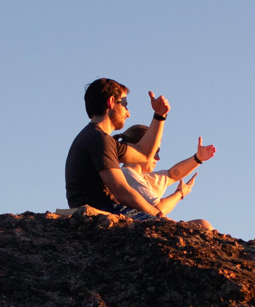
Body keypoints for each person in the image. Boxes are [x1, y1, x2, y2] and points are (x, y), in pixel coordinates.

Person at [64, 78, 215, 218]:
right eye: (124, 105)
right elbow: (122, 191)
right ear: (111, 102)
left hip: (102, 208)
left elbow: (143, 154)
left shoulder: (99, 138)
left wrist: (159, 116)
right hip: (101, 209)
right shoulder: (98, 139)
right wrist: (155, 215)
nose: (128, 113)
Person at [114, 122, 215, 225]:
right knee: (203, 224)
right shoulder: (127, 174)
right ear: (139, 147)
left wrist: (198, 158)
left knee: (202, 224)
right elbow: (158, 209)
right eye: (155, 151)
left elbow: (172, 175)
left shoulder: (140, 177)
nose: (158, 158)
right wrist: (180, 193)